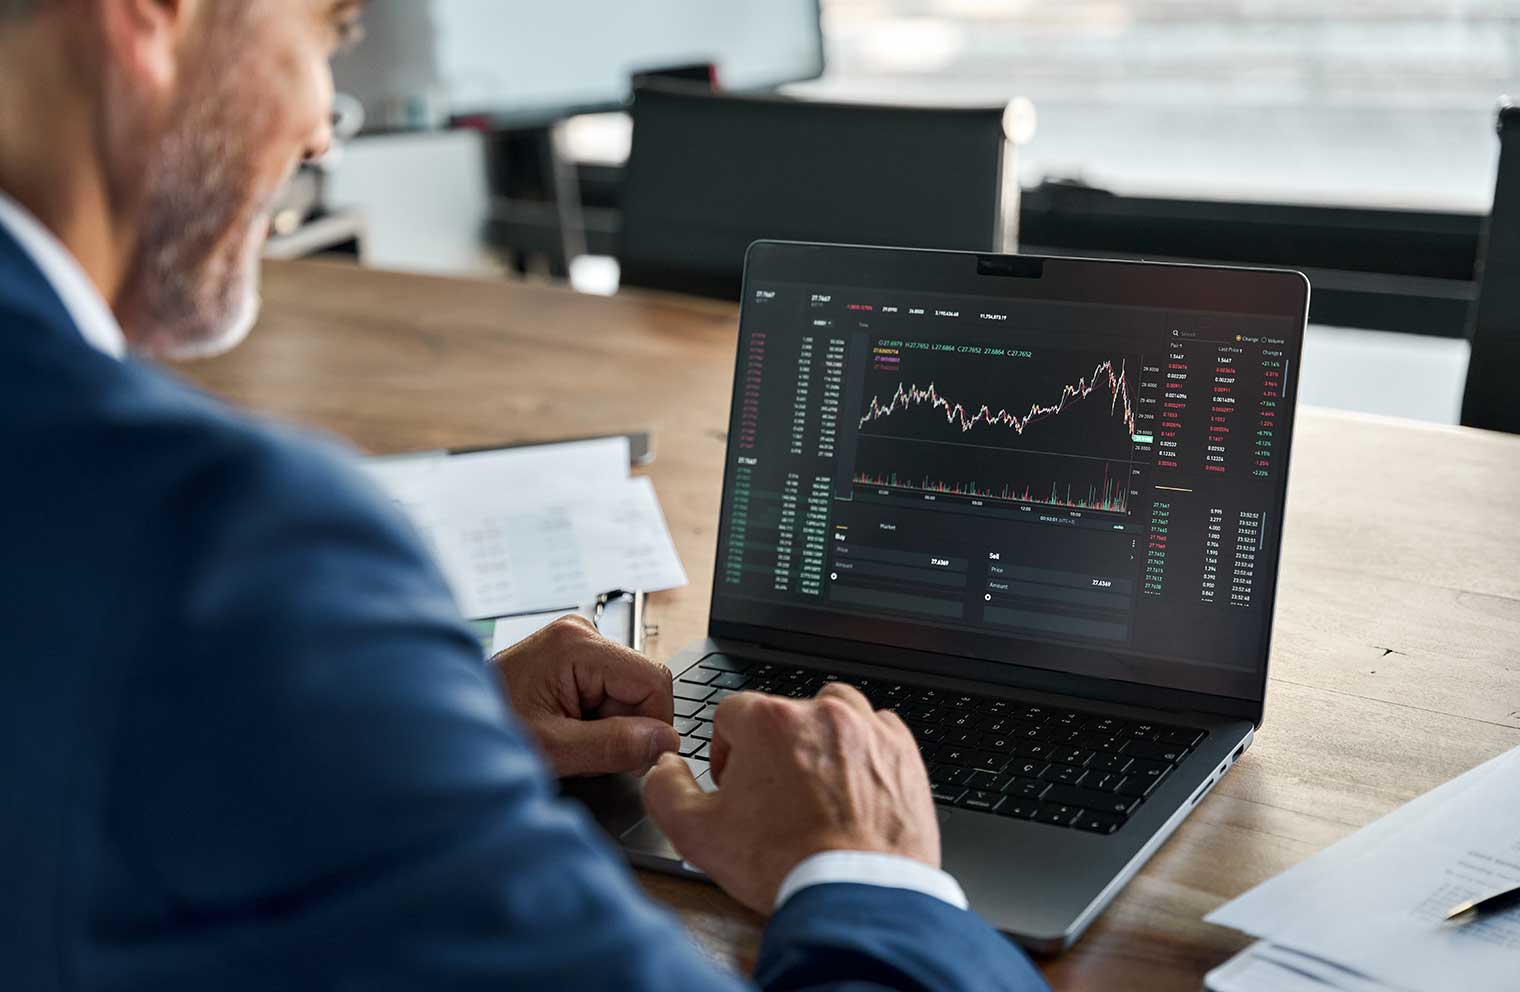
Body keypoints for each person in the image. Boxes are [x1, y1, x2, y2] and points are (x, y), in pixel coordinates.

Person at [0, 3, 1051, 990]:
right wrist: (873, 877)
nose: (324, 129)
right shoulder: (231, 544)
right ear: (155, 14)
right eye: (326, 31)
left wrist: (405, 731)